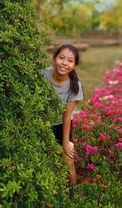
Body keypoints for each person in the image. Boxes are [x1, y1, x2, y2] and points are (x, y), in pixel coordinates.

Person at [42, 44, 83, 184]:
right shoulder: (42, 75)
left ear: (74, 65)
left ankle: (74, 194)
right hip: (41, 124)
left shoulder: (74, 85)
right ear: (54, 58)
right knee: (44, 160)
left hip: (62, 125)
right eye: (61, 58)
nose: (64, 63)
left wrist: (65, 142)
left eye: (70, 60)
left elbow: (67, 116)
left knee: (68, 159)